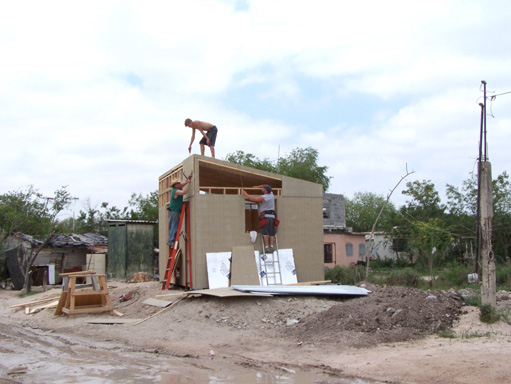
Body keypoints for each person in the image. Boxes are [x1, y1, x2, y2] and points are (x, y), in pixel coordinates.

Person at [242, 185, 276, 253]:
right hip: (272, 216)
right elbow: (265, 185)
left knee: (265, 231)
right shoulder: (271, 194)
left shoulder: (264, 197)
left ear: (265, 190)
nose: (262, 188)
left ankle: (266, 247)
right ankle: (271, 246)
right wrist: (257, 186)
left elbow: (253, 199)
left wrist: (245, 193)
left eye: (263, 188)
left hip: (265, 217)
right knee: (271, 231)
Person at [167, 171, 193, 248]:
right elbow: (184, 192)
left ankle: (171, 241)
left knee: (173, 226)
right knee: (174, 226)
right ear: (175, 185)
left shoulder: (177, 188)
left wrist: (189, 177)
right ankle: (171, 241)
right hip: (174, 212)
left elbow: (183, 183)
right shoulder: (176, 191)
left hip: (174, 211)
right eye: (178, 183)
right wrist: (188, 183)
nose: (179, 184)